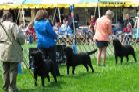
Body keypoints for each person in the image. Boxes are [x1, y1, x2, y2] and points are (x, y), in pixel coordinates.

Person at [0, 12, 25, 92]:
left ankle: (5, 87)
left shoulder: (1, 25)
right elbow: (18, 36)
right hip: (12, 49)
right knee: (13, 69)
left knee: (5, 70)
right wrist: (22, 38)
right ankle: (12, 88)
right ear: (10, 17)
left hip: (2, 49)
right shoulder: (12, 25)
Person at [33, 10, 60, 76]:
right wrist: (56, 37)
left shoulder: (35, 23)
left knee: (43, 60)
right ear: (44, 16)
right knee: (52, 60)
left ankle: (43, 73)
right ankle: (55, 74)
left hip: (40, 44)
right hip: (49, 43)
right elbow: (52, 32)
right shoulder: (46, 23)